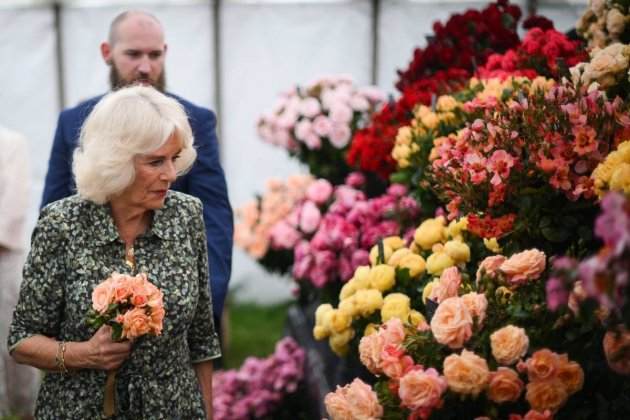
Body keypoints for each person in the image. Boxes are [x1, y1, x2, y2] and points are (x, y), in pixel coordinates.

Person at [8, 86, 220, 419]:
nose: (170, 174)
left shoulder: (186, 214)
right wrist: (84, 354)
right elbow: (22, 341)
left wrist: (207, 411)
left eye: (174, 159)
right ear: (116, 162)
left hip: (172, 410)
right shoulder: (61, 223)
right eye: (155, 161)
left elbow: (202, 337)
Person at [40, 10, 232, 349]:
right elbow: (52, 211)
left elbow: (213, 215)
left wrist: (208, 300)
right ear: (107, 52)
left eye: (154, 54)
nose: (145, 66)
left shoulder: (195, 121)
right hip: (90, 305)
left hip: (172, 302)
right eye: (133, 54)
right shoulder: (73, 123)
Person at [0, 125, 39, 418]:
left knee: (13, 341)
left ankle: (25, 409)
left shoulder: (11, 143)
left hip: (5, 258)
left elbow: (12, 210)